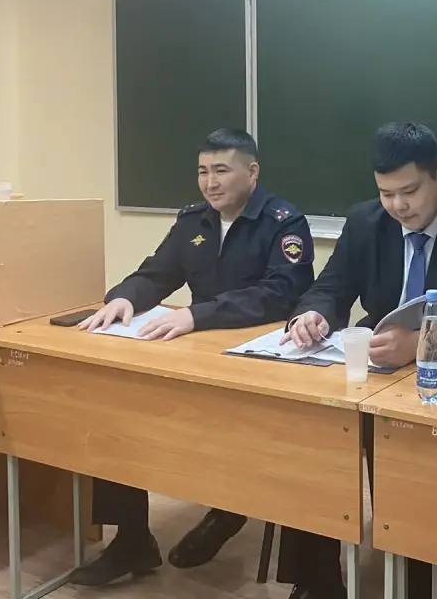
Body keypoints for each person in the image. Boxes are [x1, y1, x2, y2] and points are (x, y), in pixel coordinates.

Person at [278, 120, 437, 598]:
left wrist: (422, 343)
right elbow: (331, 286)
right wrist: (312, 314)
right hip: (377, 368)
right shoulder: (366, 221)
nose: (398, 206)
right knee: (311, 428)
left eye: (409, 192)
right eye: (386, 194)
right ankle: (316, 582)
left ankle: (415, 581)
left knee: (406, 453)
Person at [69, 128, 314, 587]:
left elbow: (280, 296)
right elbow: (156, 273)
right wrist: (124, 298)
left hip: (257, 364)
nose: (210, 182)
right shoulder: (193, 221)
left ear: (252, 172)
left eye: (221, 170)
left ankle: (231, 508)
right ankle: (132, 540)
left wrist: (197, 315)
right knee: (117, 410)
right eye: (203, 171)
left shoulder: (283, 223)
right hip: (198, 353)